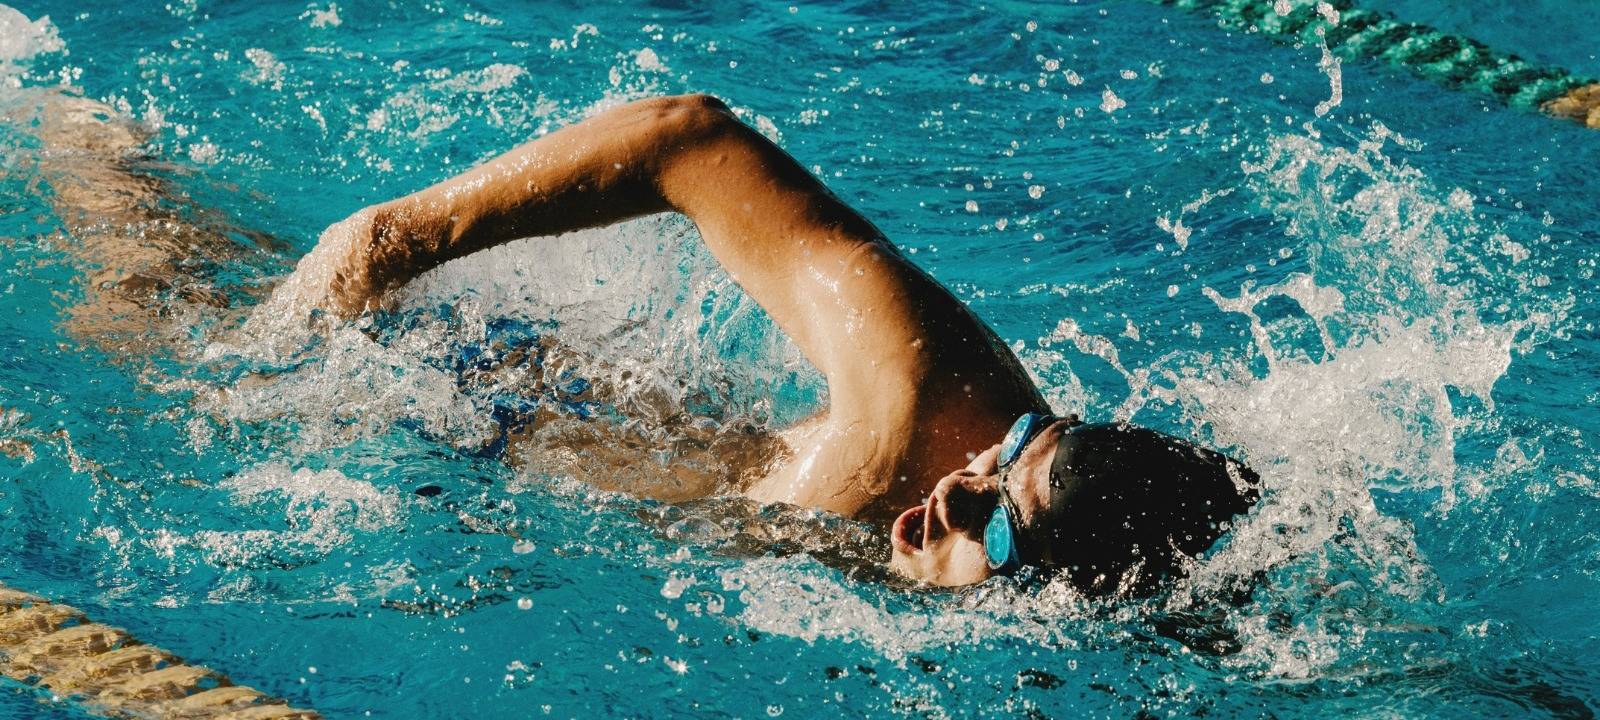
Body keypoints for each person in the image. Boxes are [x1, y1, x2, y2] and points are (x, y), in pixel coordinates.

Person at [284, 93, 1260, 593]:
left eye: (998, 521)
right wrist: (397, 239)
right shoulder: (918, 400)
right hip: (446, 394)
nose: (961, 486)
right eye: (1009, 452)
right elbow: (689, 137)